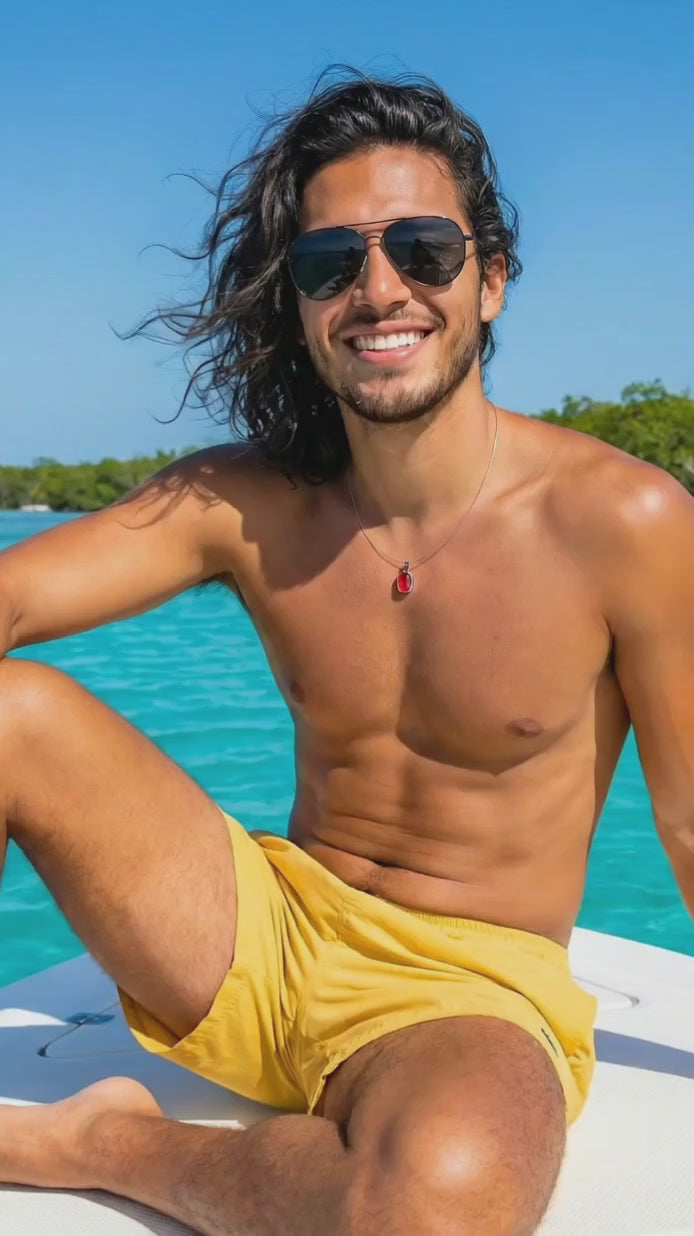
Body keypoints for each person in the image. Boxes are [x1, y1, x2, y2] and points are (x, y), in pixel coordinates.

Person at [0, 70, 693, 1236]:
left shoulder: (623, 521)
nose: (379, 291)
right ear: (298, 305)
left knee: (431, 1212)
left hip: (464, 992)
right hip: (250, 939)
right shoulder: (250, 502)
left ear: (490, 278)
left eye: (423, 250)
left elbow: (689, 819)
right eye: (330, 264)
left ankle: (99, 1142)